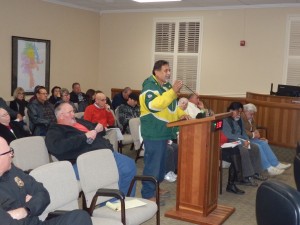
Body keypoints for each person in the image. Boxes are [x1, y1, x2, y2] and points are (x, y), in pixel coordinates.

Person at [45, 102, 136, 196]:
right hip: (83, 162)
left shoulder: (79, 121)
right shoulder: (55, 130)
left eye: (73, 111)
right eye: (70, 112)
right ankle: (111, 205)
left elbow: (96, 128)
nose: (73, 114)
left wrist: (100, 129)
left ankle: (125, 200)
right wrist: (84, 137)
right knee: (106, 176)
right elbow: (57, 147)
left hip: (105, 153)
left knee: (129, 165)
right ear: (61, 116)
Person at [0, 137, 92, 225]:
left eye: (11, 151)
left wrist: (26, 209)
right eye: (8, 152)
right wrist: (27, 202)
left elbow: (43, 194)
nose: (11, 155)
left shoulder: (13, 171)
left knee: (80, 217)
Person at [139, 60, 189, 204]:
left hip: (164, 131)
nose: (168, 73)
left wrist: (181, 114)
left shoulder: (166, 86)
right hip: (154, 132)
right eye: (165, 70)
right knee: (152, 164)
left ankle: (156, 187)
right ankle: (148, 195)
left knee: (160, 164)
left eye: (169, 70)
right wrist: (173, 91)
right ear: (156, 71)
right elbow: (154, 106)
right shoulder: (149, 86)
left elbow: (172, 107)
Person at [222, 102, 267, 186]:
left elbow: (244, 133)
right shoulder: (225, 120)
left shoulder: (239, 120)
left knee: (255, 148)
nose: (239, 114)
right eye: (237, 112)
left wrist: (247, 141)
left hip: (240, 141)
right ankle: (247, 176)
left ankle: (256, 172)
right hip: (230, 142)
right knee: (244, 150)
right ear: (231, 110)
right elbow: (230, 135)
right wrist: (243, 142)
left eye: (240, 112)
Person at [242, 103, 291, 175]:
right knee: (257, 146)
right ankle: (268, 168)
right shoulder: (241, 118)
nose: (252, 116)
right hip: (242, 140)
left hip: (250, 138)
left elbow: (254, 128)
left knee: (263, 142)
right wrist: (253, 135)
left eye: (253, 114)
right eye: (250, 114)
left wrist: (256, 132)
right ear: (245, 111)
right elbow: (242, 131)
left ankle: (275, 163)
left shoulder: (250, 118)